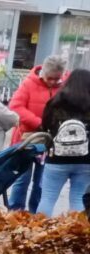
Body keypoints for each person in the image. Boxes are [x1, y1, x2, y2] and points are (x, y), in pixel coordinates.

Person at [8, 55, 68, 212]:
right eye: (50, 78)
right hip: (27, 138)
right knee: (22, 178)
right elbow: (16, 106)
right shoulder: (29, 83)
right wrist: (39, 123)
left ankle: (36, 212)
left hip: (50, 141)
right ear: (44, 73)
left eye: (57, 79)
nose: (53, 82)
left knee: (42, 181)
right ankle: (16, 211)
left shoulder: (65, 86)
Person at [36, 68, 90, 217]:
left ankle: (39, 229)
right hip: (86, 159)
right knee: (78, 198)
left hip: (57, 158)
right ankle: (76, 230)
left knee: (48, 198)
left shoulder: (55, 103)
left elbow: (45, 125)